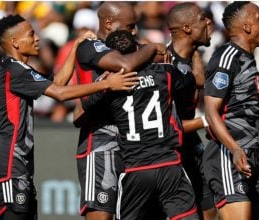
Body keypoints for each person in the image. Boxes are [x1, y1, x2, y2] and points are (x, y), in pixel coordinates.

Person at [0, 14, 139, 220]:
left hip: (14, 160)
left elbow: (59, 83)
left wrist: (74, 48)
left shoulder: (16, 69)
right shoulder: (14, 70)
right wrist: (107, 84)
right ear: (15, 42)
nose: (37, 38)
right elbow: (60, 93)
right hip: (8, 159)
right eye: (31, 34)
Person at [72, 2, 166, 220]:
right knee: (102, 214)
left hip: (132, 144)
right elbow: (126, 64)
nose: (134, 32)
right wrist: (151, 48)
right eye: (130, 26)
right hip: (100, 141)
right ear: (108, 23)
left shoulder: (131, 48)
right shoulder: (91, 47)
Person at [104, 29, 198, 220]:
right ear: (138, 48)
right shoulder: (165, 72)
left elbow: (82, 108)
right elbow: (191, 81)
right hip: (169, 164)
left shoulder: (108, 85)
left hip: (135, 169)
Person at [203, 2, 259, 220]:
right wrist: (235, 149)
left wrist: (257, 147)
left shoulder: (247, 58)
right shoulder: (226, 57)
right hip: (227, 156)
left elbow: (238, 113)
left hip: (249, 154)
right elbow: (211, 112)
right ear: (246, 26)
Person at [166, 3, 217, 220]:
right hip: (169, 153)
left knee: (210, 209)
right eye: (202, 18)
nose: (209, 22)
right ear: (187, 28)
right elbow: (167, 125)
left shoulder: (187, 60)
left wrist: (194, 47)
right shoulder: (166, 66)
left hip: (191, 145)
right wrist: (209, 121)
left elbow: (200, 80)